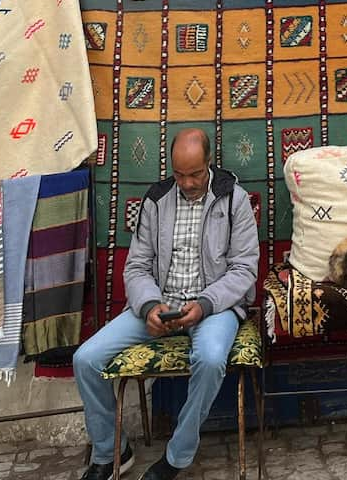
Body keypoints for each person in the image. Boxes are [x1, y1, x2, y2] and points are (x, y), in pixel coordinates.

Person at [73, 129, 259, 480]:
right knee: (85, 359)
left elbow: (244, 269)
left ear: (209, 163)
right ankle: (111, 449)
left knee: (211, 358)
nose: (187, 183)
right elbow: (138, 266)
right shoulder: (157, 200)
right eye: (179, 175)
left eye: (195, 174)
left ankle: (177, 455)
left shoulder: (233, 199)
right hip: (161, 304)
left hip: (213, 307)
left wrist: (204, 304)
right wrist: (148, 307)